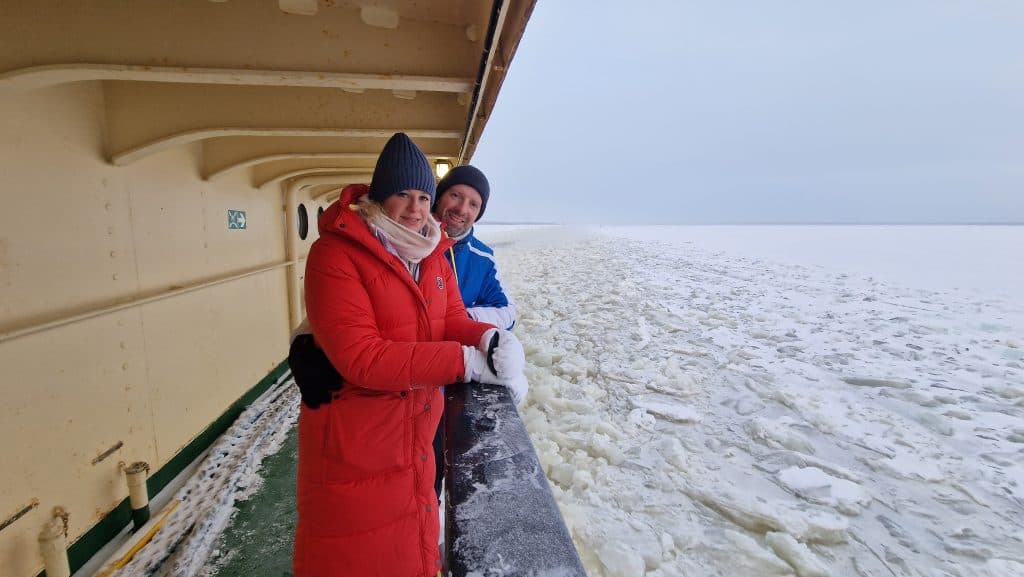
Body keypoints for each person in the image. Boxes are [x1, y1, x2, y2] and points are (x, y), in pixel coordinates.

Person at [292, 133, 526, 577]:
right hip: (358, 443)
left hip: (416, 435)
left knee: (415, 549)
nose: (416, 208)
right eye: (403, 194)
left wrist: (488, 339)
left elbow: (452, 316)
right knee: (351, 555)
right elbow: (364, 358)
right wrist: (463, 362)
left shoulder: (432, 254)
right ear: (379, 196)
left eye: (422, 196)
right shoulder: (336, 254)